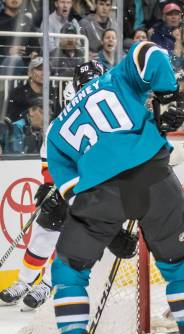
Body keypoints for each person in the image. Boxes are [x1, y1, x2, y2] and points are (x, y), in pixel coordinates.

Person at [41, 41, 184, 334]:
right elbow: (150, 53)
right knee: (178, 265)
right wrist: (168, 95)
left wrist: (110, 230)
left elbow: (73, 186)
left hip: (101, 194)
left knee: (68, 271)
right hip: (156, 178)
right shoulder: (115, 79)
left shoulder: (57, 129)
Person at [0, 61, 106, 310]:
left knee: (73, 238)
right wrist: (50, 185)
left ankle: (47, 285)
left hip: (93, 189)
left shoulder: (110, 111)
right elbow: (52, 151)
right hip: (65, 184)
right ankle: (24, 282)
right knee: (43, 232)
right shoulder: (67, 109)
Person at [5, 57, 58, 122]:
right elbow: (9, 118)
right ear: (29, 72)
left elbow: (58, 116)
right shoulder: (17, 93)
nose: (43, 73)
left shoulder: (52, 93)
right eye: (39, 69)